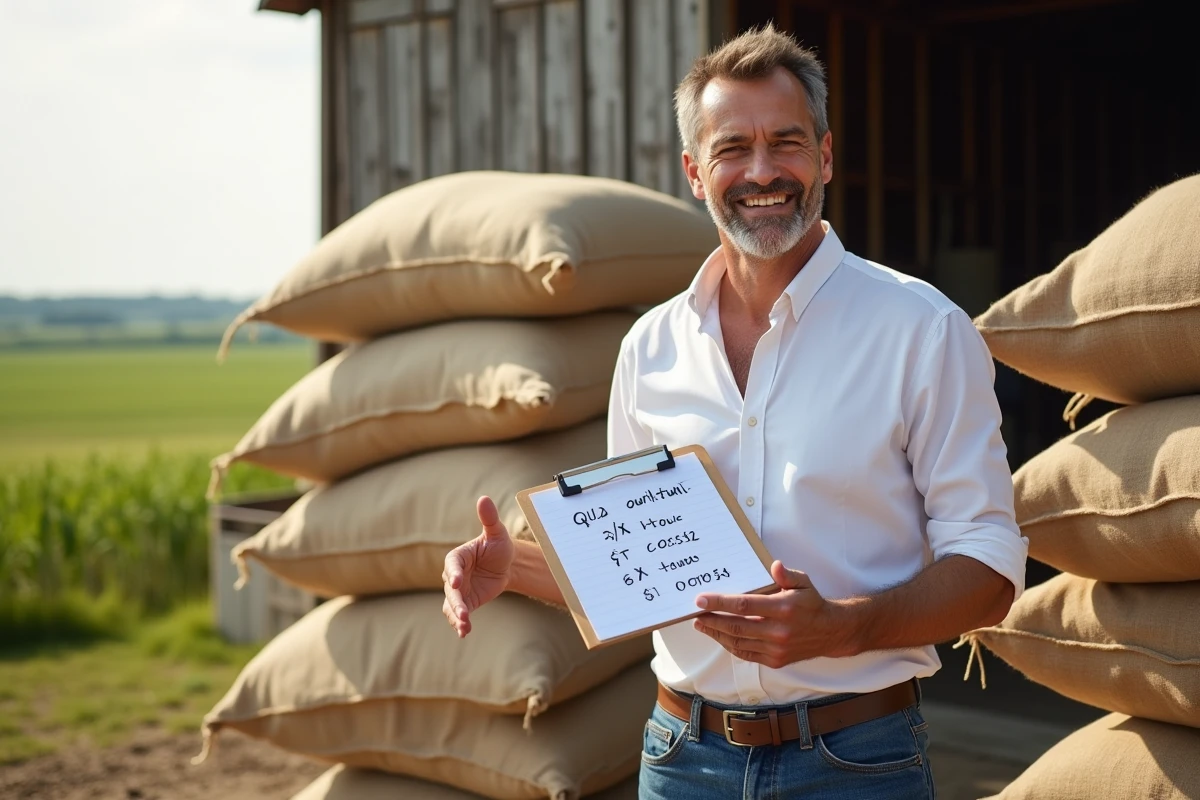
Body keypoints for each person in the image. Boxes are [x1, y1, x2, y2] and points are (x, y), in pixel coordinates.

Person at [442, 24, 1028, 800]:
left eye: (786, 143)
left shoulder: (921, 330)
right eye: (731, 149)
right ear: (694, 171)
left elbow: (990, 569)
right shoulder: (651, 347)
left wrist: (845, 626)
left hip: (857, 762)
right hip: (683, 759)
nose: (761, 172)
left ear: (825, 155)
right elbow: (641, 569)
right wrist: (510, 566)